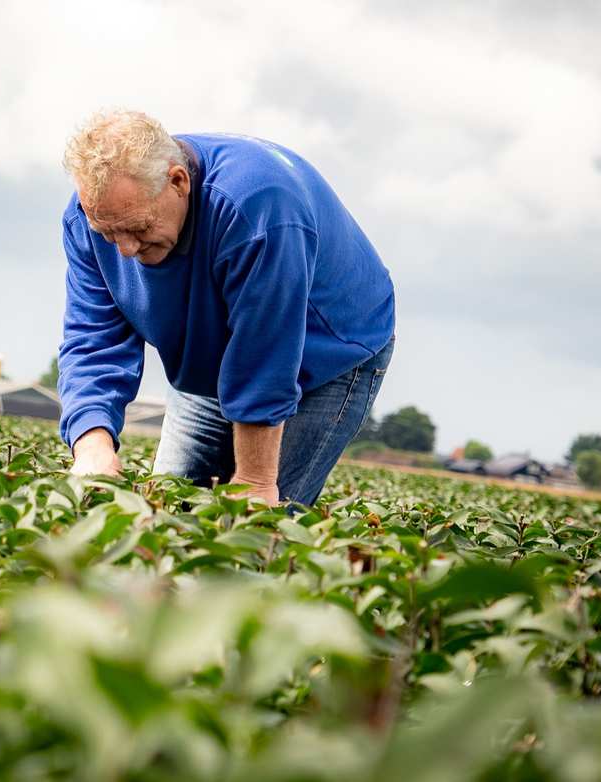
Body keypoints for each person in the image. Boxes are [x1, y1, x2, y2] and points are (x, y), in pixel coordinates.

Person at [56, 109, 396, 507]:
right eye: (108, 233)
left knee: (255, 521)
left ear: (178, 182)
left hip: (326, 353)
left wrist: (254, 481)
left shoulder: (257, 208)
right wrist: (92, 445)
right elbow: (93, 339)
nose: (125, 250)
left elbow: (264, 355)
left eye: (139, 228)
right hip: (212, 360)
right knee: (168, 507)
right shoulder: (92, 215)